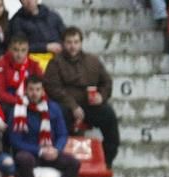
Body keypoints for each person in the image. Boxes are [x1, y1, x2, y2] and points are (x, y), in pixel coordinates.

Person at [44, 27, 120, 169]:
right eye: (69, 42)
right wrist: (73, 106)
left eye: (76, 42)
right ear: (63, 43)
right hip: (66, 105)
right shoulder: (55, 62)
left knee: (108, 115)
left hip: (89, 104)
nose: (73, 46)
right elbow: (52, 88)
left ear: (81, 43)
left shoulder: (93, 61)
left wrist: (101, 96)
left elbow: (106, 82)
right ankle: (57, 160)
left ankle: (107, 159)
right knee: (56, 114)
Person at [7, 75, 80, 177]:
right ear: (26, 90)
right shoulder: (17, 110)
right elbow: (15, 141)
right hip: (30, 153)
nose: (34, 93)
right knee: (23, 159)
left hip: (51, 152)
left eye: (37, 89)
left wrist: (56, 149)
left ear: (43, 91)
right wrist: (40, 151)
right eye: (31, 89)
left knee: (74, 163)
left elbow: (62, 134)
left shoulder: (53, 108)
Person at [0, 35, 44, 111]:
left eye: (23, 50)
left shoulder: (34, 65)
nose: (19, 55)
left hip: (31, 98)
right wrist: (19, 101)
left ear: (28, 50)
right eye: (16, 50)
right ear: (10, 49)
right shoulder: (1, 65)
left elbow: (43, 87)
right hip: (9, 103)